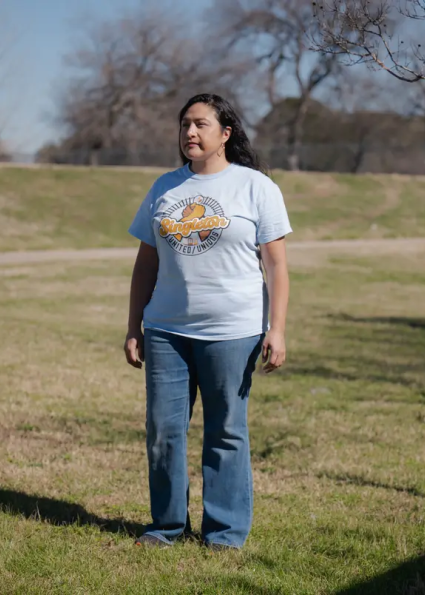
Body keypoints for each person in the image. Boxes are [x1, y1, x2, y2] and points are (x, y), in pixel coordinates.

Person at [124, 93, 292, 550]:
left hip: (233, 331)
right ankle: (166, 526)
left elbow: (276, 265)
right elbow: (145, 265)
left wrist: (276, 329)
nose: (189, 133)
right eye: (184, 125)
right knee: (162, 429)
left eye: (200, 124)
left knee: (226, 430)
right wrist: (134, 326)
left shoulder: (256, 187)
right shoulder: (165, 187)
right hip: (166, 330)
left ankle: (225, 533)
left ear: (225, 133)